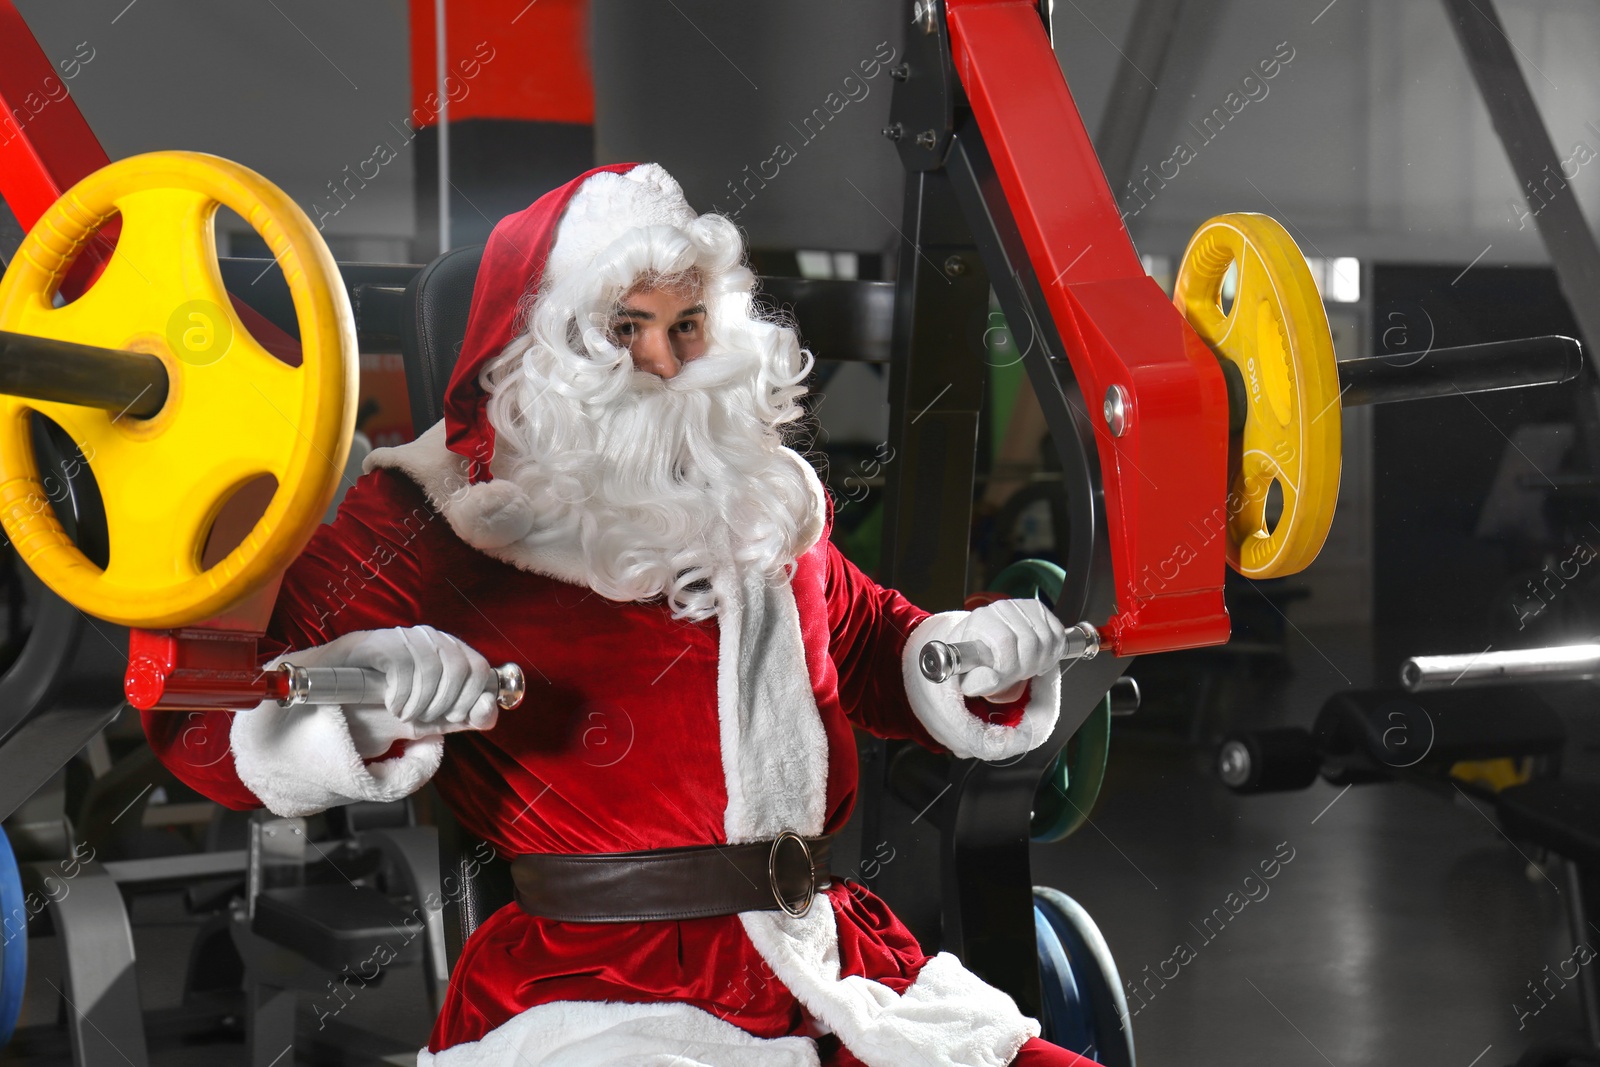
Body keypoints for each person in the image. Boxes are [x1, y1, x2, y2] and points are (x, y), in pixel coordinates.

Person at [145, 163, 1096, 1066]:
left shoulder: (765, 498)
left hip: (833, 962)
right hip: (594, 987)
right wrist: (376, 696)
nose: (662, 360)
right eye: (623, 327)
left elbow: (872, 645)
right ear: (545, 345)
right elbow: (206, 719)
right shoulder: (431, 516)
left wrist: (975, 654)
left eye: (688, 326)